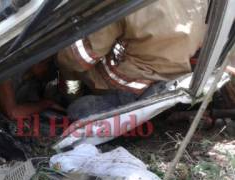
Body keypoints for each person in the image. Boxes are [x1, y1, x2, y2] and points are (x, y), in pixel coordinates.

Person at [57, 0, 209, 120]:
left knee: (69, 62)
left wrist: (57, 55)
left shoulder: (116, 3)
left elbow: (80, 58)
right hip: (178, 77)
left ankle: (68, 96)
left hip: (132, 85)